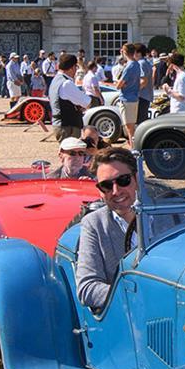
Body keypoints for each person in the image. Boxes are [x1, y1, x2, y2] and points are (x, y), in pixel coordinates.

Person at [76, 147, 138, 312]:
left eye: (123, 180)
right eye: (106, 186)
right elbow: (86, 288)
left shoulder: (168, 217)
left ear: (137, 179)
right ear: (100, 191)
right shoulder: (94, 224)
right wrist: (137, 295)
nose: (116, 191)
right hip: (126, 318)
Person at [48, 52, 90, 141]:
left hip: (59, 123)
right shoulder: (66, 83)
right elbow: (86, 101)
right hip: (68, 126)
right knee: (72, 152)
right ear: (72, 68)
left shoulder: (55, 80)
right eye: (76, 67)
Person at [115, 43, 142, 146]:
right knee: (131, 127)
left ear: (125, 52)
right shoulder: (136, 64)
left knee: (129, 128)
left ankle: (134, 149)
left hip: (127, 99)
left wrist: (120, 84)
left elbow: (119, 85)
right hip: (133, 97)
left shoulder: (129, 66)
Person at [135, 43, 155, 125]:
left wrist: (134, 90)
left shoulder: (141, 63)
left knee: (140, 120)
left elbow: (143, 81)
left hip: (142, 95)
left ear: (138, 53)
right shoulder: (145, 62)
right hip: (145, 95)